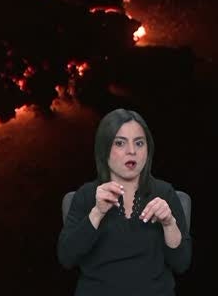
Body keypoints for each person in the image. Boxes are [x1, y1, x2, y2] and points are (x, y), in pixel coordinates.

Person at [57, 108, 191, 295]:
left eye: (139, 143)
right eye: (120, 143)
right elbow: (66, 258)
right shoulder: (86, 195)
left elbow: (181, 264)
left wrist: (169, 224)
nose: (132, 151)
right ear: (104, 150)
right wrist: (97, 212)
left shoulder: (164, 193)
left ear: (148, 149)